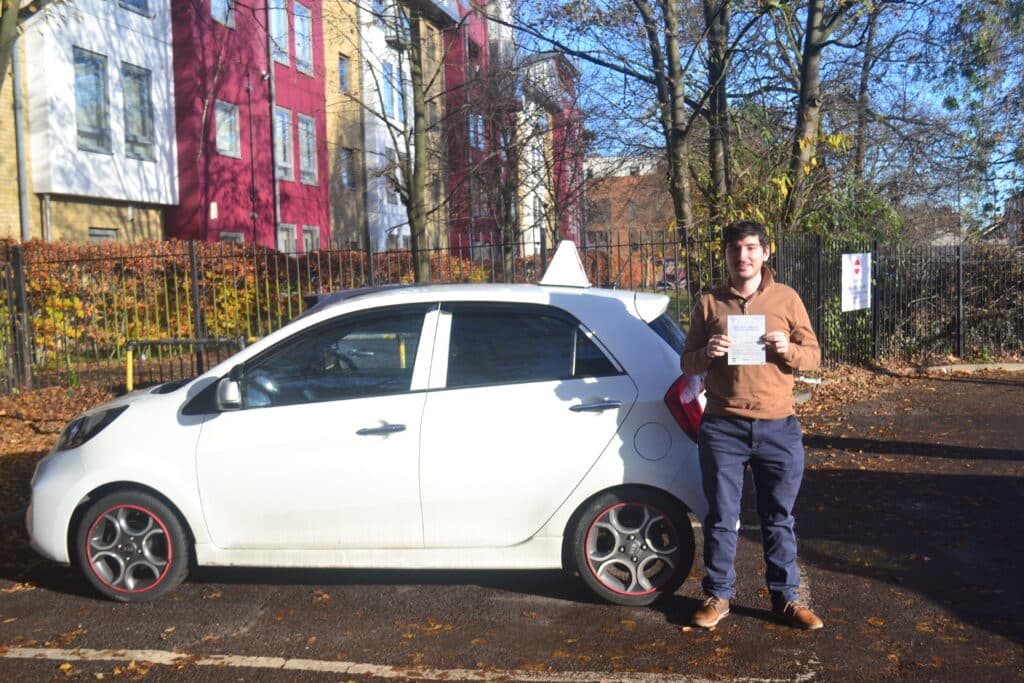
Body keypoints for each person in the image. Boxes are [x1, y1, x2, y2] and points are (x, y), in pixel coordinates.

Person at [681, 220, 823, 630]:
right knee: (722, 517)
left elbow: (813, 356)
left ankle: (786, 599)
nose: (741, 256)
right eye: (733, 249)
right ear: (725, 255)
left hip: (778, 425)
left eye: (749, 248)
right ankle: (718, 595)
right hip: (723, 426)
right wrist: (706, 352)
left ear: (764, 252)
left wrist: (788, 349)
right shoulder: (709, 303)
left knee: (779, 518)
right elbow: (686, 361)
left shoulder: (786, 298)